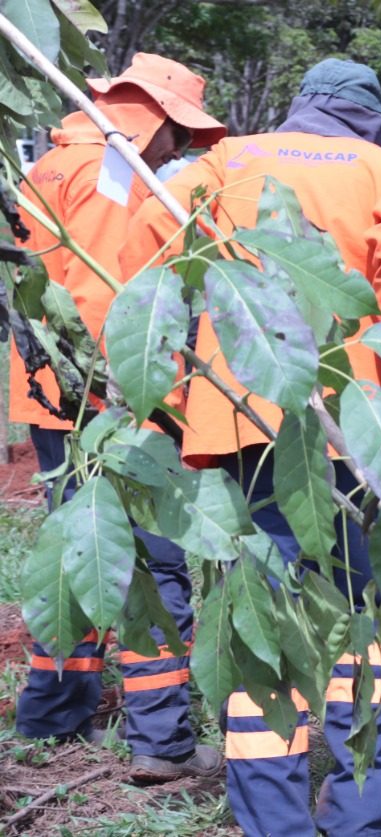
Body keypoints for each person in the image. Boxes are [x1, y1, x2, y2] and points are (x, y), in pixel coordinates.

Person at [121, 59, 381, 836]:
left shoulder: (225, 160)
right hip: (354, 422)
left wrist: (168, 393)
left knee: (265, 610)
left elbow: (149, 242)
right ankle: (360, 815)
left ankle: (275, 821)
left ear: (299, 110)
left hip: (238, 419)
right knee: (365, 612)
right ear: (369, 121)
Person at [9, 53, 228, 783]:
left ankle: (52, 710)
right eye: (181, 137)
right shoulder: (112, 170)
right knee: (153, 565)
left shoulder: (55, 160)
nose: (181, 152)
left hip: (49, 395)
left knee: (82, 550)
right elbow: (106, 297)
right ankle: (161, 741)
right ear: (156, 115)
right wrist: (147, 397)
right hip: (112, 401)